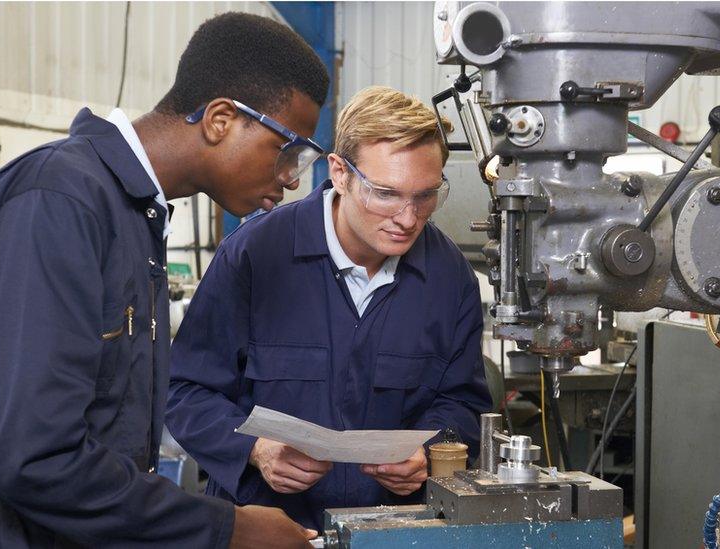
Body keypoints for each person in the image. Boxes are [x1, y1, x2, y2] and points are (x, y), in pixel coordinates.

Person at [0, 12, 329, 549]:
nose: (293, 177)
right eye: (287, 148)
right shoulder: (59, 200)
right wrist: (227, 528)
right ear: (221, 119)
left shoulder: (136, 217)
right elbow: (30, 458)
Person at [166, 86, 492, 531]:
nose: (408, 218)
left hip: (397, 532)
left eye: (426, 195)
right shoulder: (255, 255)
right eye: (386, 193)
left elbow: (463, 402)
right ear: (340, 173)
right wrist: (255, 450)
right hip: (268, 528)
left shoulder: (450, 277)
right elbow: (185, 390)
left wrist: (431, 452)